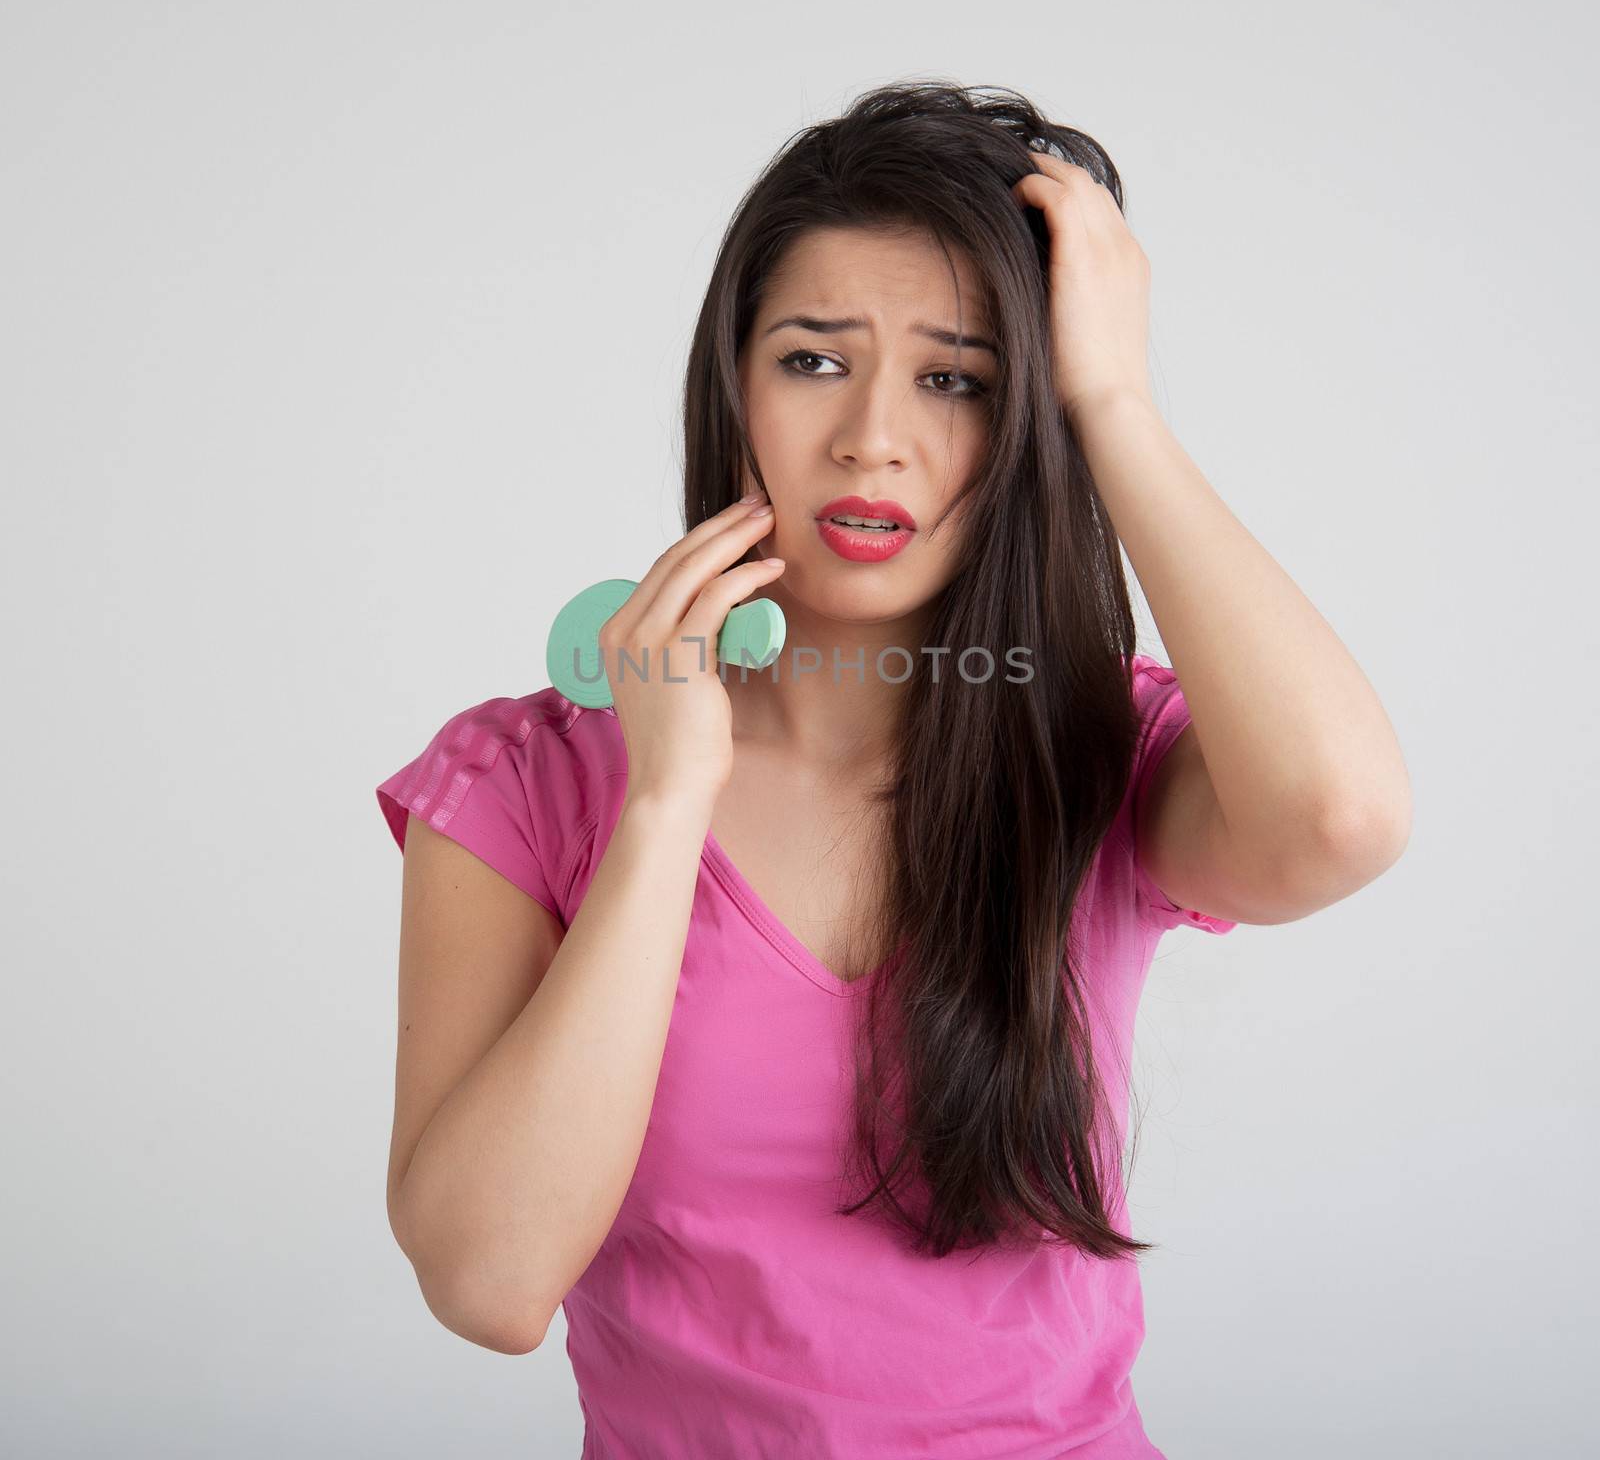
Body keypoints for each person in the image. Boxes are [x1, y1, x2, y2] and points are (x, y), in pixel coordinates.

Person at [373, 80, 1411, 1457]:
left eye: (957, 380)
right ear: (731, 388)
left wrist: (1110, 398)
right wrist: (666, 802)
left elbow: (1340, 819)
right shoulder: (523, 782)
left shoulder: (1098, 747)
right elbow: (489, 1285)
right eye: (812, 360)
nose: (874, 435)